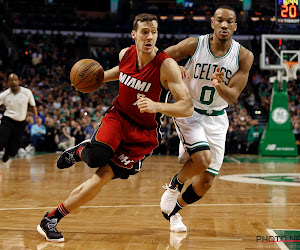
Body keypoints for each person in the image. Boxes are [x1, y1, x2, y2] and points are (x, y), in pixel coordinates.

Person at [37, 13, 193, 243]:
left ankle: (50, 219)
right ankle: (81, 151)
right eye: (144, 32)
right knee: (96, 156)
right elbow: (122, 72)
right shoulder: (126, 54)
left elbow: (187, 106)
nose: (150, 36)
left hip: (141, 134)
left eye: (154, 32)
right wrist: (96, 80)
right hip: (118, 117)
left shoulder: (166, 66)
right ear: (134, 35)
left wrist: (156, 105)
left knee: (102, 176)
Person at [160, 5, 254, 232]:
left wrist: (220, 85)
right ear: (212, 23)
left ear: (235, 26)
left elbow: (232, 97)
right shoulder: (195, 44)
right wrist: (175, 68)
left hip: (218, 118)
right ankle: (174, 185)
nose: (224, 25)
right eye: (219, 20)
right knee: (202, 159)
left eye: (229, 21)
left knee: (206, 182)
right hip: (189, 111)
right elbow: (162, 57)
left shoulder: (244, 56)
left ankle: (175, 213)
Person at [0, 73, 38, 162]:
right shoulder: (4, 95)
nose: (14, 82)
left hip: (20, 123)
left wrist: (35, 115)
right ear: (8, 83)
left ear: (19, 81)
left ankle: (8, 154)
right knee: (1, 140)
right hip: (7, 120)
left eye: (15, 80)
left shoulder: (27, 92)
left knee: (14, 150)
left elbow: (32, 105)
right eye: (11, 80)